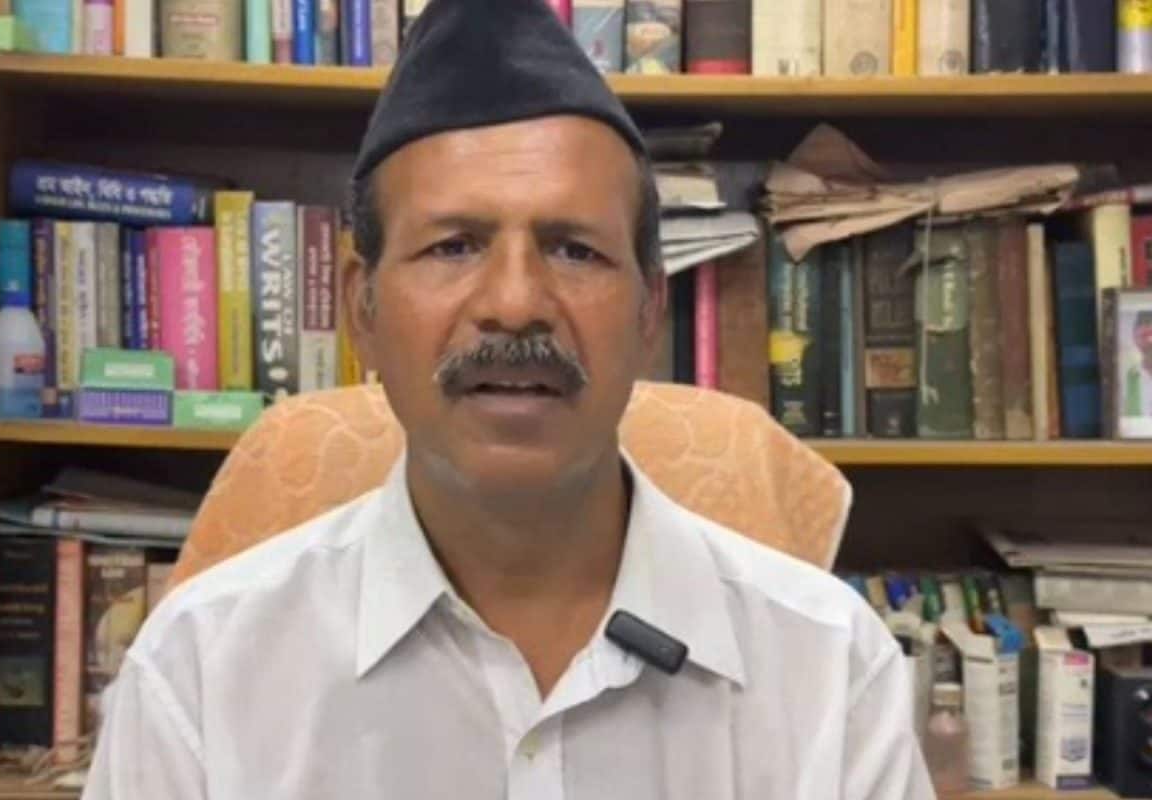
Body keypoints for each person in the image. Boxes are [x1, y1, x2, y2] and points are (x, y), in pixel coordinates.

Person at [83, 0, 935, 797]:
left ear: (649, 312)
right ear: (361, 310)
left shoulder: (828, 669)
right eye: (454, 246)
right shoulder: (202, 671)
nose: (517, 303)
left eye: (574, 250)